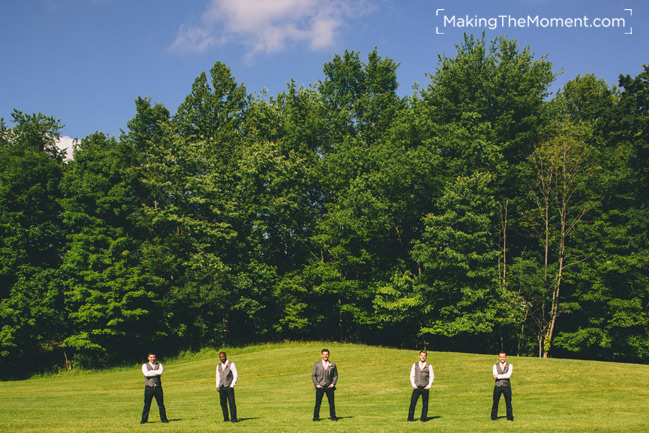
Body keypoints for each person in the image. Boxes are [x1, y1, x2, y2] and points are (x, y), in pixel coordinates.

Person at [140, 352, 169, 424]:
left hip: (158, 388)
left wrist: (151, 372)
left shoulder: (160, 365)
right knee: (147, 405)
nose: (152, 358)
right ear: (148, 358)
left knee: (161, 404)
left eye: (154, 357)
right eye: (151, 357)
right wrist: (156, 372)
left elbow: (161, 372)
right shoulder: (144, 365)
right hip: (149, 388)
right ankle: (144, 420)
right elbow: (146, 374)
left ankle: (164, 419)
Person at [407, 349, 434, 422]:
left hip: (425, 387)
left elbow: (431, 376)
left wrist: (428, 386)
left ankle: (423, 418)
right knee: (413, 403)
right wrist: (413, 385)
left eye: (424, 356)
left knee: (425, 404)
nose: (423, 357)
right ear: (419, 356)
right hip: (417, 387)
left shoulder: (429, 366)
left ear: (426, 357)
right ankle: (410, 418)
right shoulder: (415, 365)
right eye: (421, 355)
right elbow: (412, 375)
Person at [312, 348, 338, 421]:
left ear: (329, 355)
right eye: (324, 354)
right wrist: (317, 385)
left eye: (327, 354)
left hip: (329, 387)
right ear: (321, 355)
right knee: (318, 404)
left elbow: (335, 375)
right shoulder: (317, 364)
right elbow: (313, 375)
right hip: (320, 386)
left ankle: (333, 417)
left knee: (331, 403)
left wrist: (333, 384)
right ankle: (316, 418)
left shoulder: (333, 364)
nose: (325, 356)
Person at [216, 351, 238, 423]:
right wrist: (217, 385)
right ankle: (226, 418)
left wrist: (232, 385)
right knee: (223, 403)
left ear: (226, 356)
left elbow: (235, 375)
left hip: (229, 387)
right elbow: (218, 376)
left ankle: (234, 419)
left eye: (223, 357)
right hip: (222, 387)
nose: (222, 358)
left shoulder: (231, 364)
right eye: (220, 357)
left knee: (232, 403)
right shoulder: (218, 366)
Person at [491, 352, 514, 421]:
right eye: (501, 357)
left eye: (503, 357)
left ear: (505, 357)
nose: (502, 358)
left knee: (508, 402)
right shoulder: (495, 366)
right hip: (497, 386)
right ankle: (494, 417)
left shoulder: (510, 365)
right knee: (495, 402)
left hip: (506, 386)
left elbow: (508, 375)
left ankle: (510, 417)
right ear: (499, 357)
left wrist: (498, 376)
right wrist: (499, 376)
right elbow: (494, 375)